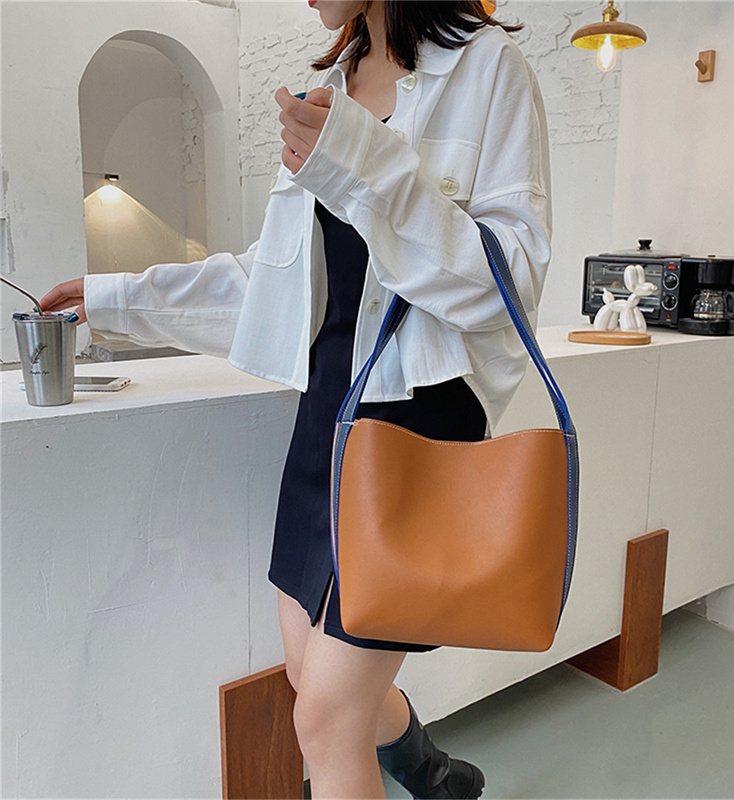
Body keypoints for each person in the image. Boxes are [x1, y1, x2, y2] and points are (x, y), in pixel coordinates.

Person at [40, 1, 552, 796]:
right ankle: (432, 773)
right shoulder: (330, 93)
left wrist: (362, 162)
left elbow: (507, 282)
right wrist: (117, 298)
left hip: (420, 421)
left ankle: (423, 772)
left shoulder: (487, 69)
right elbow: (271, 282)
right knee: (307, 674)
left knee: (326, 721)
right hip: (325, 417)